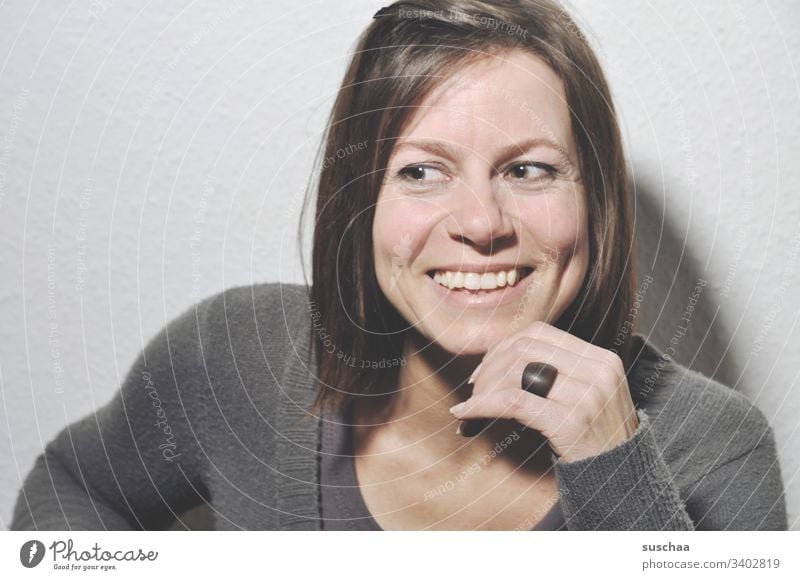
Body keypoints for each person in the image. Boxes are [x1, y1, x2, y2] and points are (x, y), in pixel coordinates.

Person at [12, 0, 787, 531]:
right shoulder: (235, 355)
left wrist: (616, 469)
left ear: (596, 201)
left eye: (529, 170)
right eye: (421, 171)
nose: (481, 224)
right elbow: (75, 491)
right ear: (361, 201)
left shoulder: (716, 448)